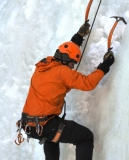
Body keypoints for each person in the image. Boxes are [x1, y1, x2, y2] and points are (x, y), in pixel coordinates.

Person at [18, 21, 115, 160]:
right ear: (66, 61)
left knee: (51, 138)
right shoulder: (63, 71)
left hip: (30, 125)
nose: (72, 67)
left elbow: (65, 52)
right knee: (85, 137)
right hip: (45, 124)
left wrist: (78, 37)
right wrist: (104, 66)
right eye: (72, 63)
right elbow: (87, 83)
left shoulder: (44, 65)